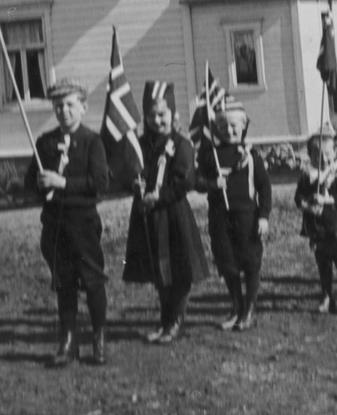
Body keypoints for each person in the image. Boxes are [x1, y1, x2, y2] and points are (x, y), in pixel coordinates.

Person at [23, 79, 110, 367]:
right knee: (64, 283)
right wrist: (39, 182)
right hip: (55, 224)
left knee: (93, 281)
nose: (64, 111)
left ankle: (99, 338)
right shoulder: (45, 143)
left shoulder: (92, 141)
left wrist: (62, 181)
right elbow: (29, 182)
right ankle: (68, 341)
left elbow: (99, 183)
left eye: (70, 105)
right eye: (58, 106)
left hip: (83, 223)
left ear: (83, 107)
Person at [122, 82, 209, 344]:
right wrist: (134, 185)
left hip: (172, 215)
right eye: (152, 116)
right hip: (148, 216)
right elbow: (132, 171)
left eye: (162, 115)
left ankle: (176, 322)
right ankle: (164, 321)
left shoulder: (181, 144)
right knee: (160, 272)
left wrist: (161, 195)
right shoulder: (141, 144)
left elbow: (186, 181)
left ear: (173, 114)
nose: (157, 120)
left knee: (179, 271)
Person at [194, 95, 272, 331]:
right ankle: (236, 306)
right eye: (223, 126)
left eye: (234, 126)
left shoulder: (250, 156)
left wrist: (263, 216)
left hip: (247, 216)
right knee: (227, 263)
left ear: (243, 126)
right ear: (216, 128)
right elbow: (196, 182)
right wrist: (211, 184)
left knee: (250, 262)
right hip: (219, 216)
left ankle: (249, 309)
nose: (229, 130)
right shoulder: (210, 156)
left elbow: (264, 187)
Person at [296, 123, 337, 314]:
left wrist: (325, 199)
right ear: (310, 155)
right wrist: (305, 205)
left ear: (335, 153)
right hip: (317, 228)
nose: (322, 158)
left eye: (327, 154)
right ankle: (326, 294)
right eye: (316, 154)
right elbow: (299, 197)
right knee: (323, 262)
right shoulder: (308, 175)